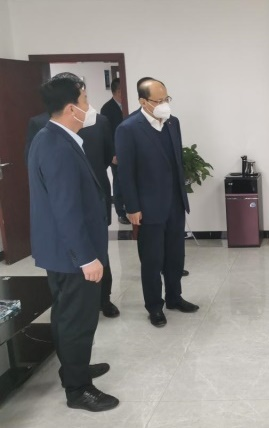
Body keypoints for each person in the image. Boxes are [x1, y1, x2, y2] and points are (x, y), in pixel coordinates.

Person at [27, 73, 119, 411]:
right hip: (71, 254)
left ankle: (73, 369)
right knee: (77, 320)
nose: (89, 107)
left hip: (63, 251)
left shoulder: (54, 137)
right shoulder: (55, 145)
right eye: (85, 101)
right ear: (71, 108)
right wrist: (86, 258)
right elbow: (66, 209)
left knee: (68, 315)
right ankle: (78, 390)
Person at [115, 77, 198, 327]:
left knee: (175, 256)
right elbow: (125, 172)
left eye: (166, 99)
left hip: (174, 202)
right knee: (152, 260)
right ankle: (154, 306)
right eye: (158, 100)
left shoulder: (173, 122)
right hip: (148, 206)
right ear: (143, 102)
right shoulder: (128, 129)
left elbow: (176, 160)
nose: (164, 104)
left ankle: (174, 297)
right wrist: (131, 207)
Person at [100, 77, 129, 225]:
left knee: (129, 180)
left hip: (129, 151)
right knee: (118, 181)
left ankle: (130, 208)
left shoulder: (128, 105)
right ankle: (120, 212)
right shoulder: (107, 108)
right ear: (118, 91)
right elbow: (106, 134)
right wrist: (112, 154)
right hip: (116, 153)